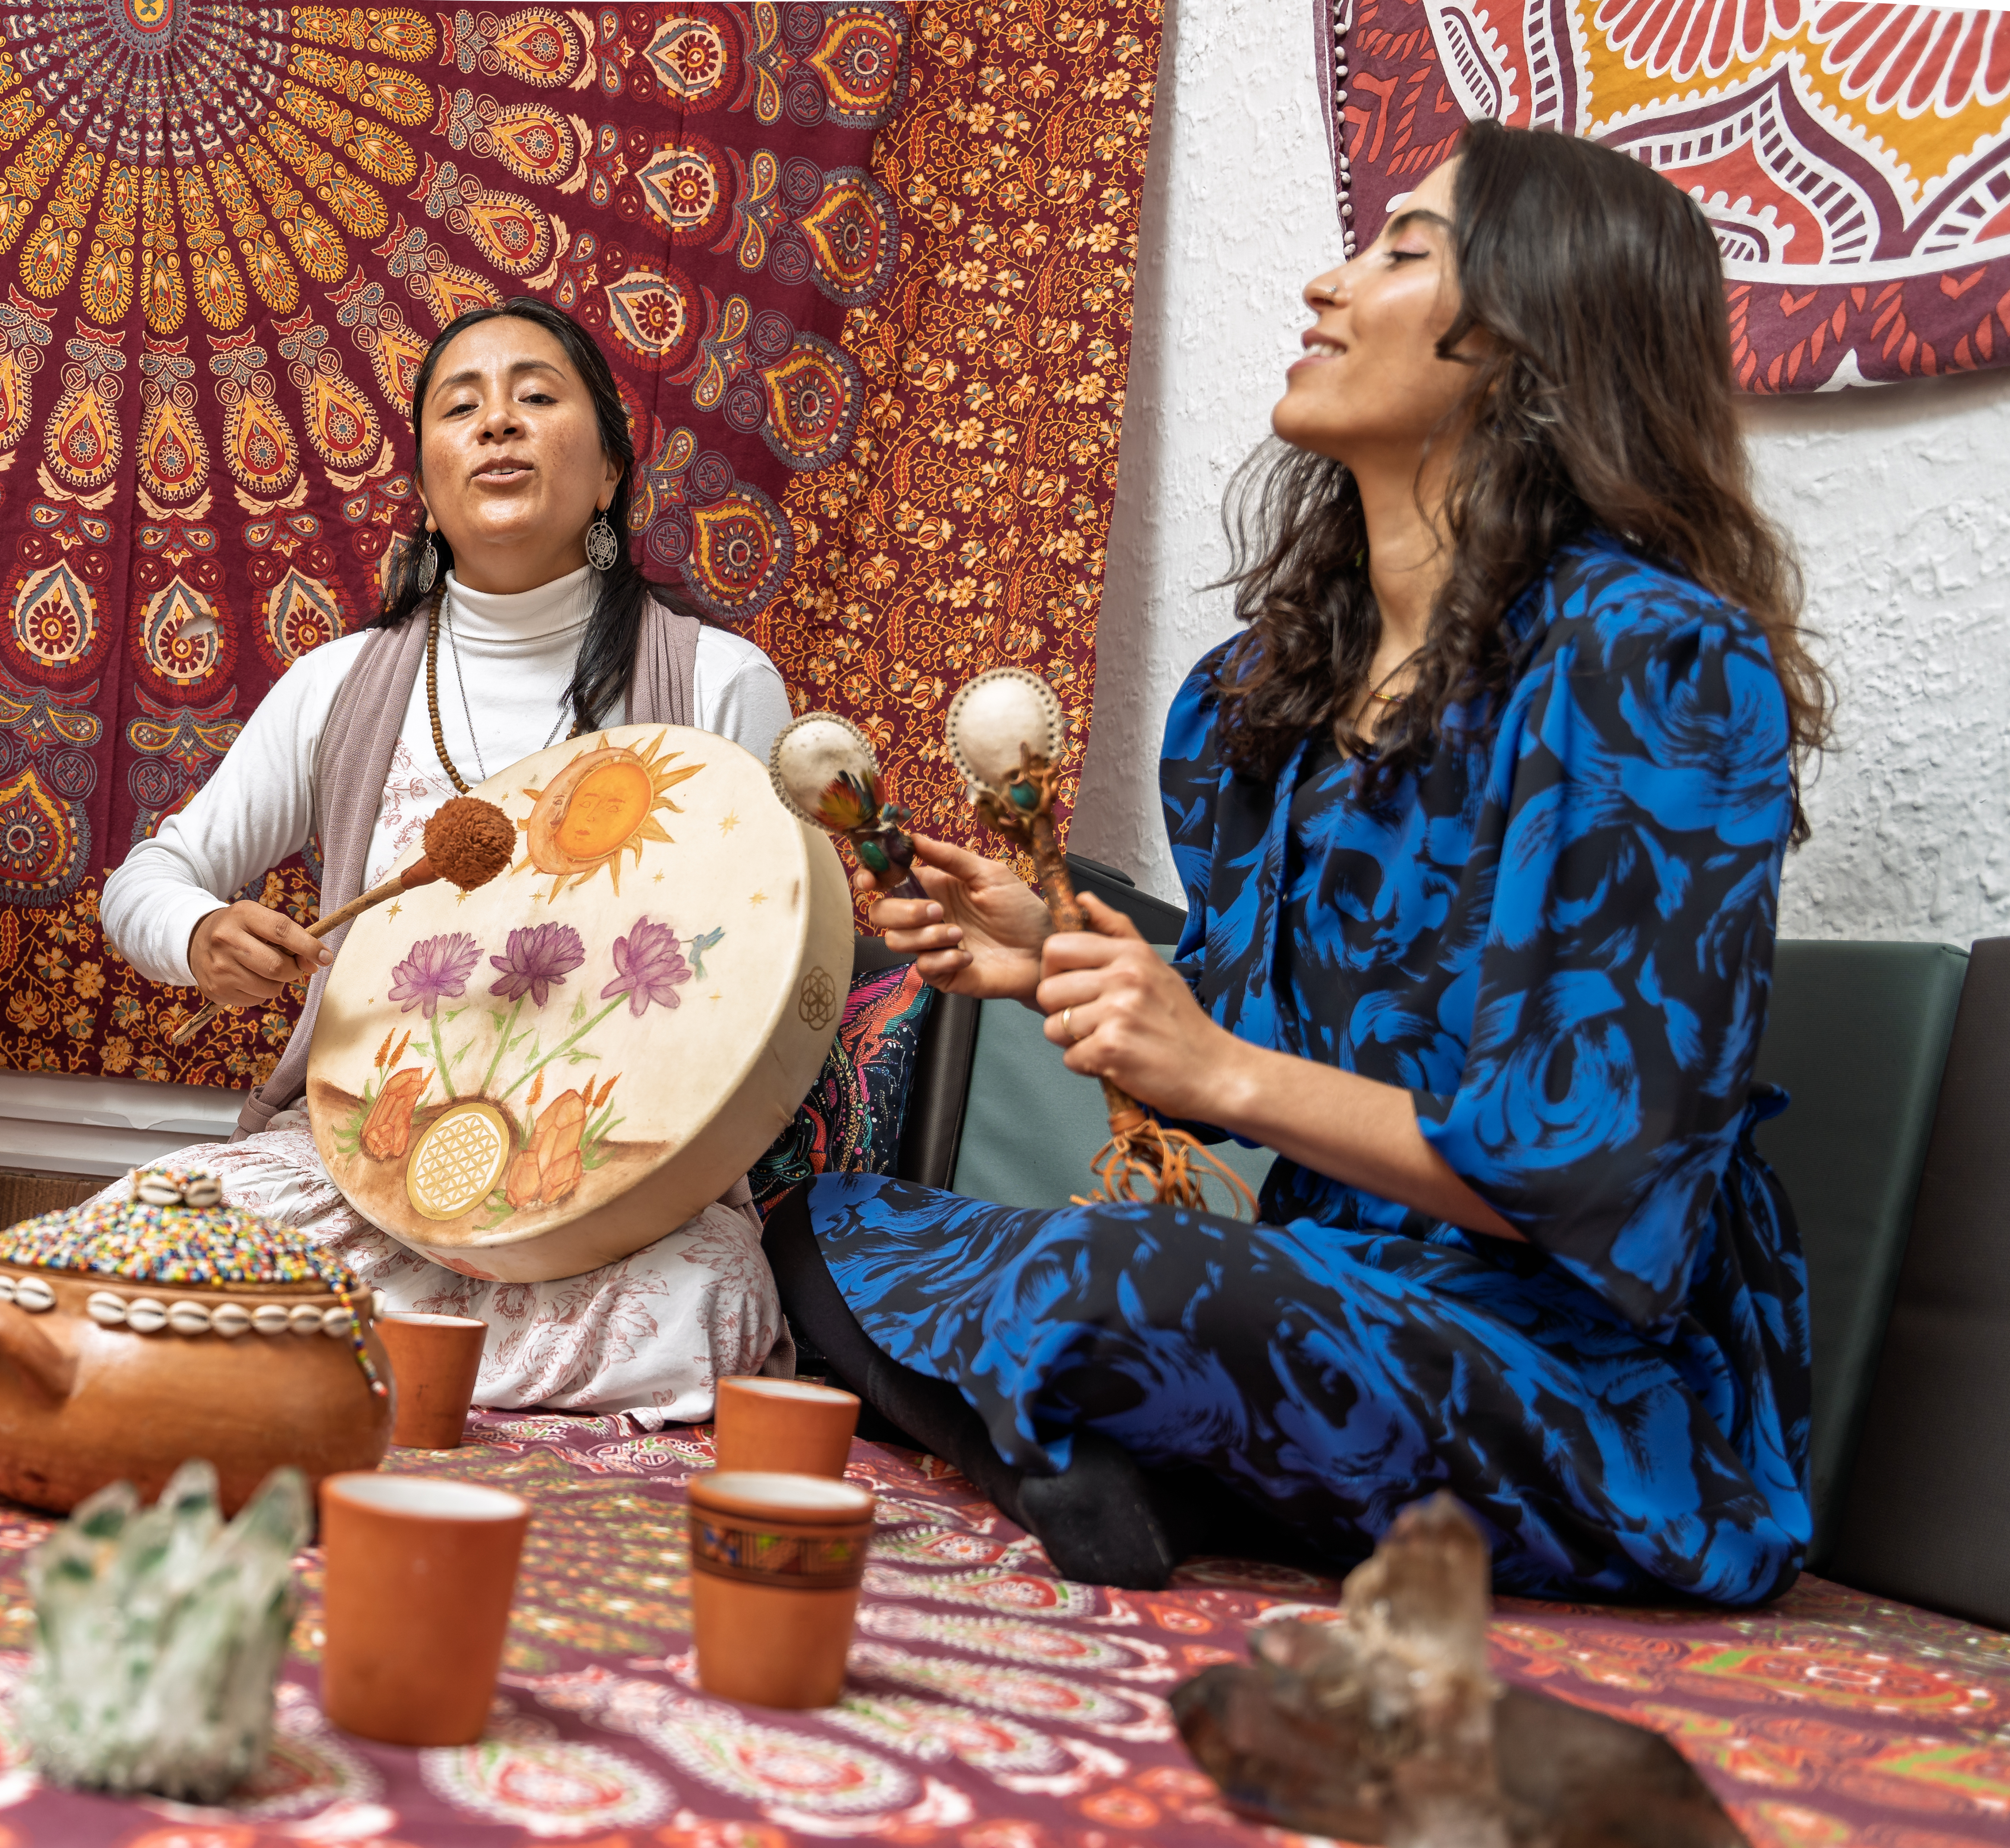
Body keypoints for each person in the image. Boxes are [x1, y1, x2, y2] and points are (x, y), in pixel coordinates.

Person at [771, 123, 1829, 1604]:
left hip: (1575, 1367)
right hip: (1329, 1289)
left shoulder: (1656, 668)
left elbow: (1601, 1171)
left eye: (1401, 250)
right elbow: (1281, 1023)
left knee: (1114, 1284)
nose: (1327, 286)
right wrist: (1046, 952)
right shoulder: (1258, 696)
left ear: (1533, 328)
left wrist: (1214, 1077)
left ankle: (1116, 1446)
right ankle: (1116, 1459)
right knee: (823, 1219)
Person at [101, 299, 796, 1421]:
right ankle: (410, 1381)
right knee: (125, 1245)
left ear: (611, 469)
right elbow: (144, 881)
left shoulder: (718, 683)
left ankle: (330, 1377)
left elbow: (768, 962)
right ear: (425, 487)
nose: (498, 426)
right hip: (358, 1174)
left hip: (615, 1189)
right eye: (460, 408)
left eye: (535, 396)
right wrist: (201, 934)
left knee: (706, 1303)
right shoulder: (342, 684)